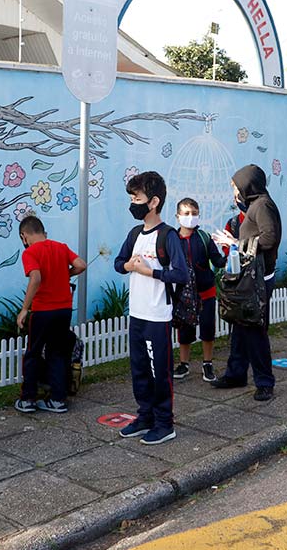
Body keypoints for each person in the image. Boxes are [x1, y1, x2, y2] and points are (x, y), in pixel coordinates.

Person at [114, 171, 188, 445]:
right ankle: (145, 417)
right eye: (132, 197)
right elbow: (118, 262)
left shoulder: (168, 236)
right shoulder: (135, 233)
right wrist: (129, 266)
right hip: (137, 314)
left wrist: (150, 272)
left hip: (158, 316)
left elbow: (181, 274)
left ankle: (164, 423)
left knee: (160, 372)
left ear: (153, 201)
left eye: (137, 198)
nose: (133, 203)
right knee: (139, 370)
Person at [211, 164, 282, 401]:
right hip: (249, 275)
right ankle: (236, 373)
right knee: (240, 326)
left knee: (254, 330)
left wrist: (236, 242)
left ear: (247, 186)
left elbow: (269, 238)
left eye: (236, 188)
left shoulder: (262, 205)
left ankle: (265, 382)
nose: (235, 194)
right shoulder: (257, 204)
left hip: (258, 278)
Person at [14, 216, 87, 414]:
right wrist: (66, 274)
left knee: (34, 353)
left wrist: (24, 309)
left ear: (24, 236)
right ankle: (57, 400)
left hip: (43, 311)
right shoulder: (61, 247)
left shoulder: (30, 252)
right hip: (63, 310)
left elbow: (35, 278)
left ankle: (28, 399)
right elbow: (81, 264)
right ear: (42, 232)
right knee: (58, 353)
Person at [173, 198, 226, 382]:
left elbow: (218, 260)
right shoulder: (172, 239)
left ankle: (207, 363)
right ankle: (184, 364)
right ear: (177, 216)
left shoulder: (204, 237)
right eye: (186, 213)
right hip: (184, 294)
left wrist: (229, 254)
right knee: (184, 331)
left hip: (206, 292)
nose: (191, 217)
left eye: (194, 213)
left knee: (207, 329)